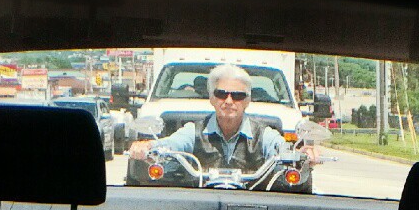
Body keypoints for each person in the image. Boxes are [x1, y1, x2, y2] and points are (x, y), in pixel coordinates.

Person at [128, 64, 320, 171]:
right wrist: (148, 146)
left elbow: (281, 148)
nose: (229, 101)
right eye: (221, 94)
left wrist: (303, 154)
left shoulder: (264, 134)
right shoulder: (193, 131)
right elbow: (172, 144)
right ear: (211, 98)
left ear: (247, 101)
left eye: (238, 96)